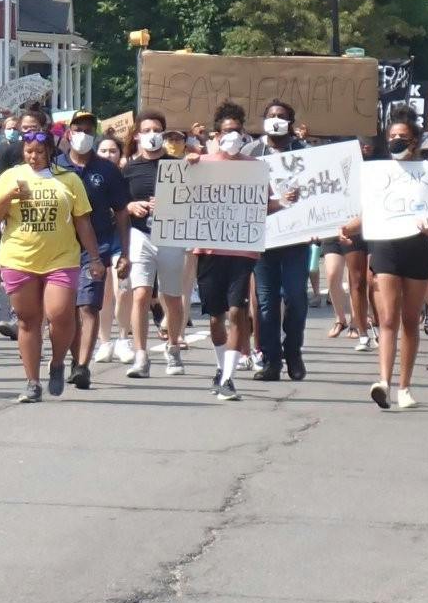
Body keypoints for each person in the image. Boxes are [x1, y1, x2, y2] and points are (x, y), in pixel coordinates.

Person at [0, 109, 105, 402]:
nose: (33, 156)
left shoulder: (69, 179)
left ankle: (57, 362)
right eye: (28, 151)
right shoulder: (11, 177)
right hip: (19, 258)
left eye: (39, 151)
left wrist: (95, 258)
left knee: (60, 315)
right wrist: (9, 197)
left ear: (50, 150)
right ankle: (32, 381)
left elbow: (83, 221)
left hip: (61, 258)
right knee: (28, 320)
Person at [188, 103, 298, 401]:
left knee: (237, 311)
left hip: (243, 251)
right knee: (215, 317)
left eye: (237, 131)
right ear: (216, 134)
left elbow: (262, 206)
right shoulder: (202, 162)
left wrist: (284, 202)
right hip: (209, 249)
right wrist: (186, 165)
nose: (232, 136)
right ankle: (221, 364)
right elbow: (181, 197)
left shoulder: (256, 168)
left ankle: (228, 377)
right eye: (227, 131)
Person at [357, 108, 428, 410]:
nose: (397, 141)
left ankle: (405, 386)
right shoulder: (377, 173)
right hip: (386, 247)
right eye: (392, 137)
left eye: (403, 137)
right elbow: (367, 211)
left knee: (410, 320)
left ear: (415, 141)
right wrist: (347, 226)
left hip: (417, 248)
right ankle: (384, 382)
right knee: (387, 318)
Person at [55, 112, 127, 389]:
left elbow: (121, 213)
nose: (82, 133)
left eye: (88, 129)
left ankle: (83, 366)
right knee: (66, 310)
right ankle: (73, 360)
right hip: (59, 248)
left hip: (96, 248)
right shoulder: (55, 167)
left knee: (88, 304)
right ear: (69, 133)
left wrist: (126, 253)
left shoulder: (107, 170)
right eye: (78, 128)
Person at [245, 100, 311, 382]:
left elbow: (320, 192)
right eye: (271, 116)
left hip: (296, 239)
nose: (275, 120)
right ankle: (271, 359)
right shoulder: (251, 153)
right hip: (262, 240)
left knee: (296, 296)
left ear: (291, 122)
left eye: (281, 116)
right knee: (266, 302)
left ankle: (293, 350)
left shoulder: (306, 154)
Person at [118, 111, 188, 378]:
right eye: (146, 130)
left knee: (171, 296)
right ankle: (141, 354)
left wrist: (170, 205)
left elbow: (190, 201)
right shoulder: (128, 169)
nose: (151, 135)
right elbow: (119, 204)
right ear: (136, 135)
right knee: (140, 293)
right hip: (139, 235)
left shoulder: (177, 166)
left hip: (169, 236)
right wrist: (130, 205)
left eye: (156, 129)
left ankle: (173, 348)